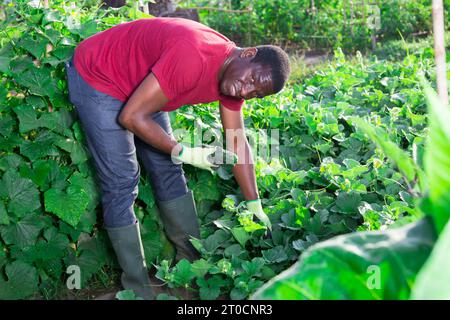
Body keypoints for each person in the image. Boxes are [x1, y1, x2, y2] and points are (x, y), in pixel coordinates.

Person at [65, 17, 290, 300]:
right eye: (252, 80)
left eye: (255, 93)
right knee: (121, 181)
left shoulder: (234, 76)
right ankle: (137, 290)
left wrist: (254, 203)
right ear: (248, 54)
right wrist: (186, 152)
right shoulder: (193, 57)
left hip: (146, 83)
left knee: (169, 170)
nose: (245, 91)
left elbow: (237, 141)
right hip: (99, 75)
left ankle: (190, 272)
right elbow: (131, 116)